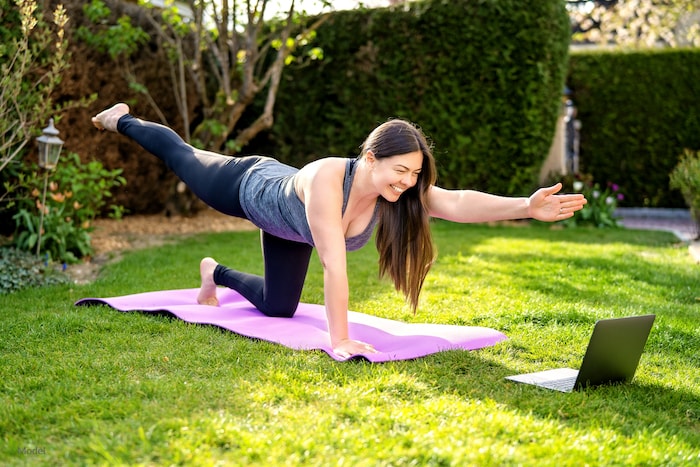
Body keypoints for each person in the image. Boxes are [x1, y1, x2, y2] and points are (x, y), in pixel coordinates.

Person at [92, 103, 587, 358]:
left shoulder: (399, 191)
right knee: (182, 155)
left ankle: (214, 272)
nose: (408, 182)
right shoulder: (331, 178)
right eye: (401, 171)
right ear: (371, 157)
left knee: (280, 307)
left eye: (416, 174)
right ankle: (123, 119)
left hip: (287, 229)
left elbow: (455, 202)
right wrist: (341, 339)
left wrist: (526, 205)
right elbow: (333, 263)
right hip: (248, 185)